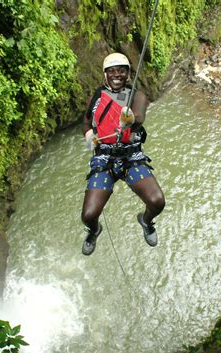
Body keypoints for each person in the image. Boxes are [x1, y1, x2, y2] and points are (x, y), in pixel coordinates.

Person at [81, 52, 166, 256]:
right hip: (104, 156)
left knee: (157, 201)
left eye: (121, 71)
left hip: (130, 156)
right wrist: (89, 135)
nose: (117, 75)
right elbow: (86, 121)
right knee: (88, 215)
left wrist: (130, 120)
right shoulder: (97, 96)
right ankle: (94, 230)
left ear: (128, 74)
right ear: (105, 75)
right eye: (112, 71)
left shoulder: (137, 96)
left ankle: (145, 221)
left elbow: (139, 116)